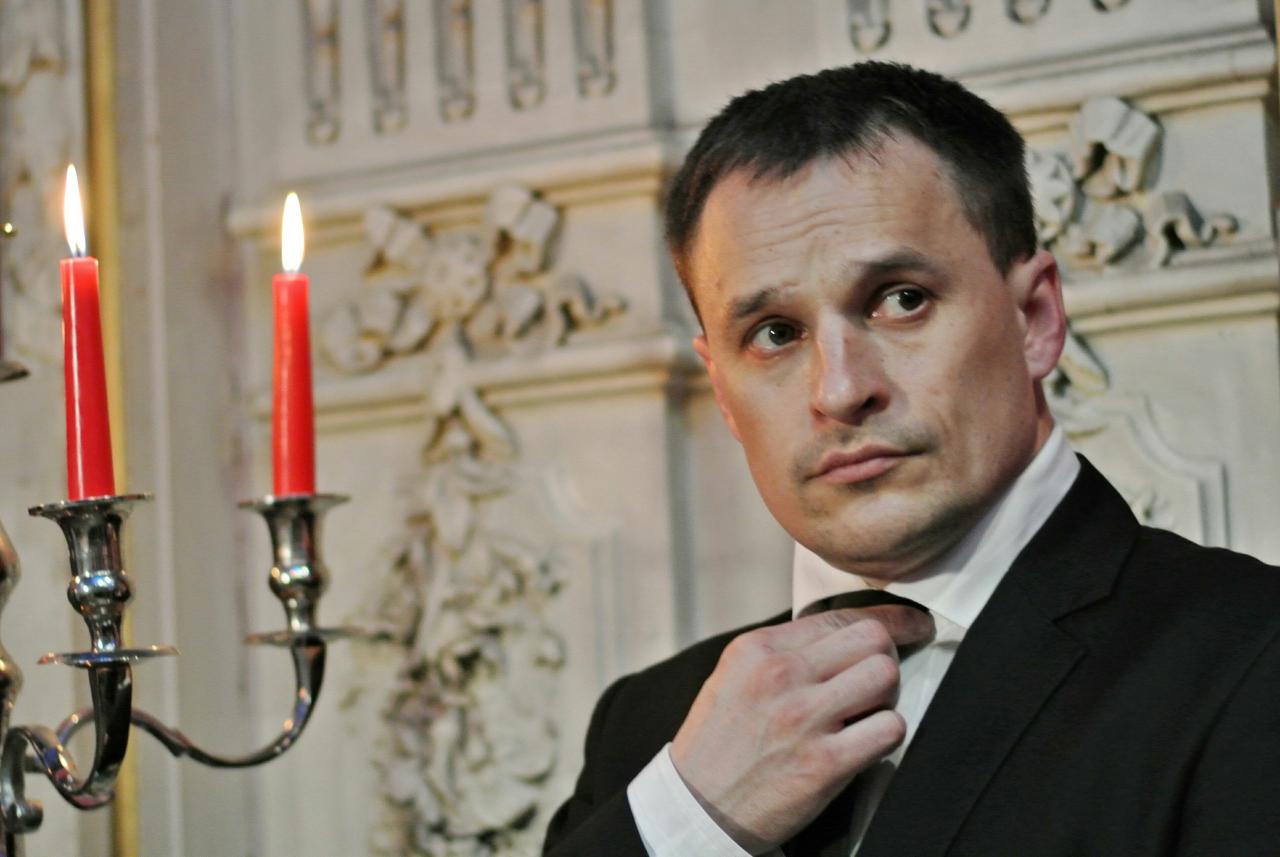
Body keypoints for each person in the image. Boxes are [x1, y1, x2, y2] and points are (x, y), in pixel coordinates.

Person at [542, 62, 1280, 857]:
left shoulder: (1254, 655)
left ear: (1035, 318)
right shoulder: (646, 729)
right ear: (722, 390)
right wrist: (688, 822)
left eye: (900, 299)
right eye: (775, 334)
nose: (841, 389)